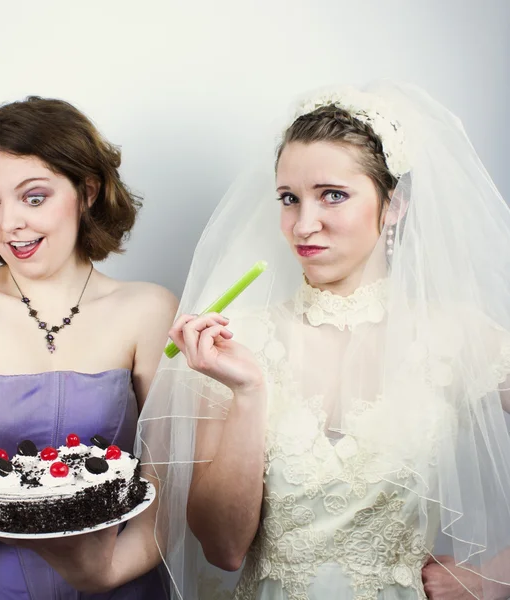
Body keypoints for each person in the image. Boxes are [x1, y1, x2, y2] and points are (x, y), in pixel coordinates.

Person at [136, 82, 510, 600]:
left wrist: (495, 577)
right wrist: (247, 394)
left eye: (332, 195)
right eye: (289, 199)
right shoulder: (235, 340)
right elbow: (222, 549)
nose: (303, 225)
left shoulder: (455, 335)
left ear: (394, 204)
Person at [0, 96, 177, 599]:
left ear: (88, 191)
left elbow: (167, 495)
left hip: (114, 584)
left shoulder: (150, 309)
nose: (8, 222)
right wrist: (18, 513)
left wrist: (104, 574)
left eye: (33, 197)